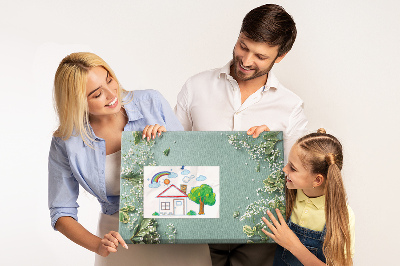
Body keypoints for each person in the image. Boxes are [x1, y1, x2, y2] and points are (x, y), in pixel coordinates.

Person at [174, 4, 308, 266]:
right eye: (243, 46)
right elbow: (172, 151)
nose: (246, 61)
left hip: (260, 232)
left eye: (260, 56)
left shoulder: (291, 107)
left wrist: (271, 151)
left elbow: (299, 179)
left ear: (280, 56)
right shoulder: (196, 86)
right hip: (197, 223)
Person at [48, 52, 211, 265]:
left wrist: (166, 145)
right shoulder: (66, 141)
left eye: (109, 80)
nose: (111, 94)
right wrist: (98, 244)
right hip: (120, 240)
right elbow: (61, 212)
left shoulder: (150, 102)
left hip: (178, 231)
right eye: (97, 94)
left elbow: (193, 172)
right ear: (78, 102)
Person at [262, 129, 355, 265]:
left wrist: (294, 246)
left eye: (293, 168)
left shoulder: (343, 216)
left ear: (317, 180)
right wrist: (263, 139)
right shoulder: (287, 193)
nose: (284, 169)